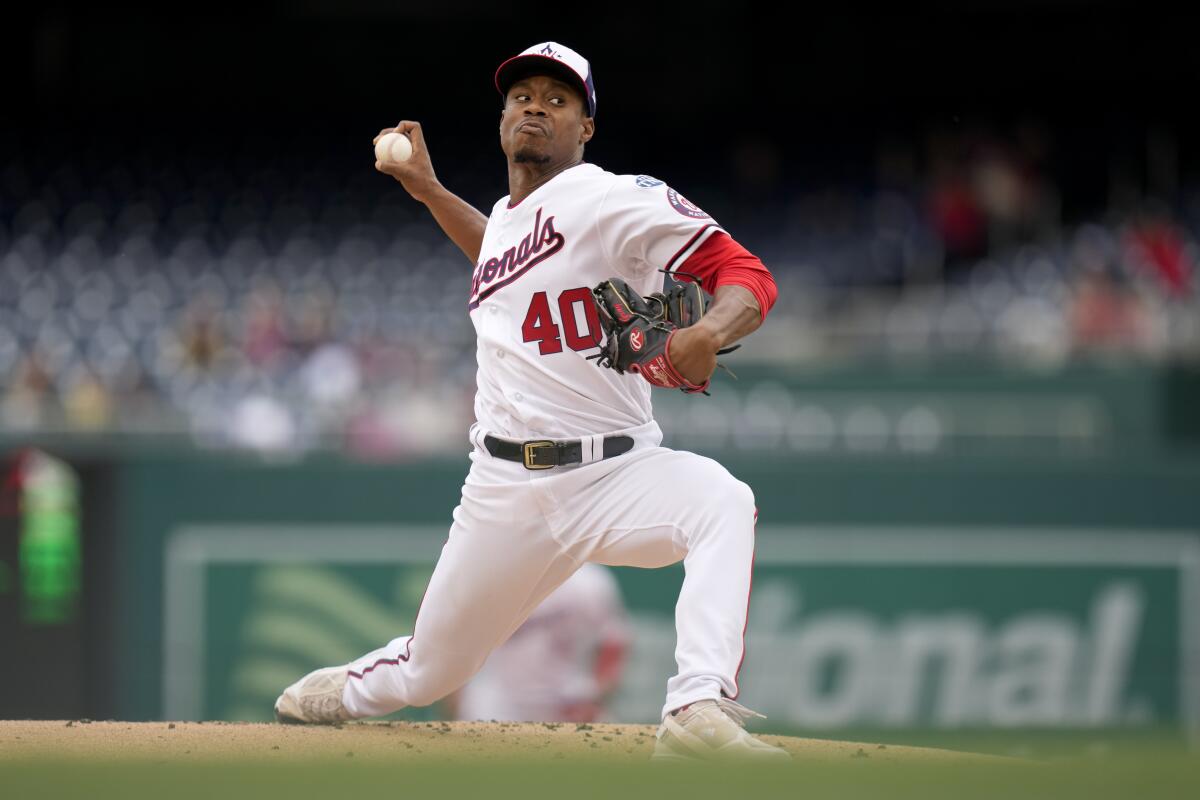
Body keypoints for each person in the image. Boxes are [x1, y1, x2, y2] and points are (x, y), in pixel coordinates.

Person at [275, 41, 787, 762]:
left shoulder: (614, 197)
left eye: (558, 98)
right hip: (505, 489)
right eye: (522, 97)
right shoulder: (509, 225)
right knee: (432, 672)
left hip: (617, 473)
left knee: (722, 502)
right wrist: (427, 190)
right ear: (502, 120)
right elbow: (497, 255)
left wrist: (708, 329)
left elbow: (744, 271)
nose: (535, 107)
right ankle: (349, 691)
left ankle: (695, 705)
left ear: (585, 129)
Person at [445, 563, 630, 723]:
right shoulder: (494, 572)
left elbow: (613, 643)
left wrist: (596, 695)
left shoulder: (590, 580)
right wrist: (455, 695)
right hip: (495, 701)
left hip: (567, 702)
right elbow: (456, 636)